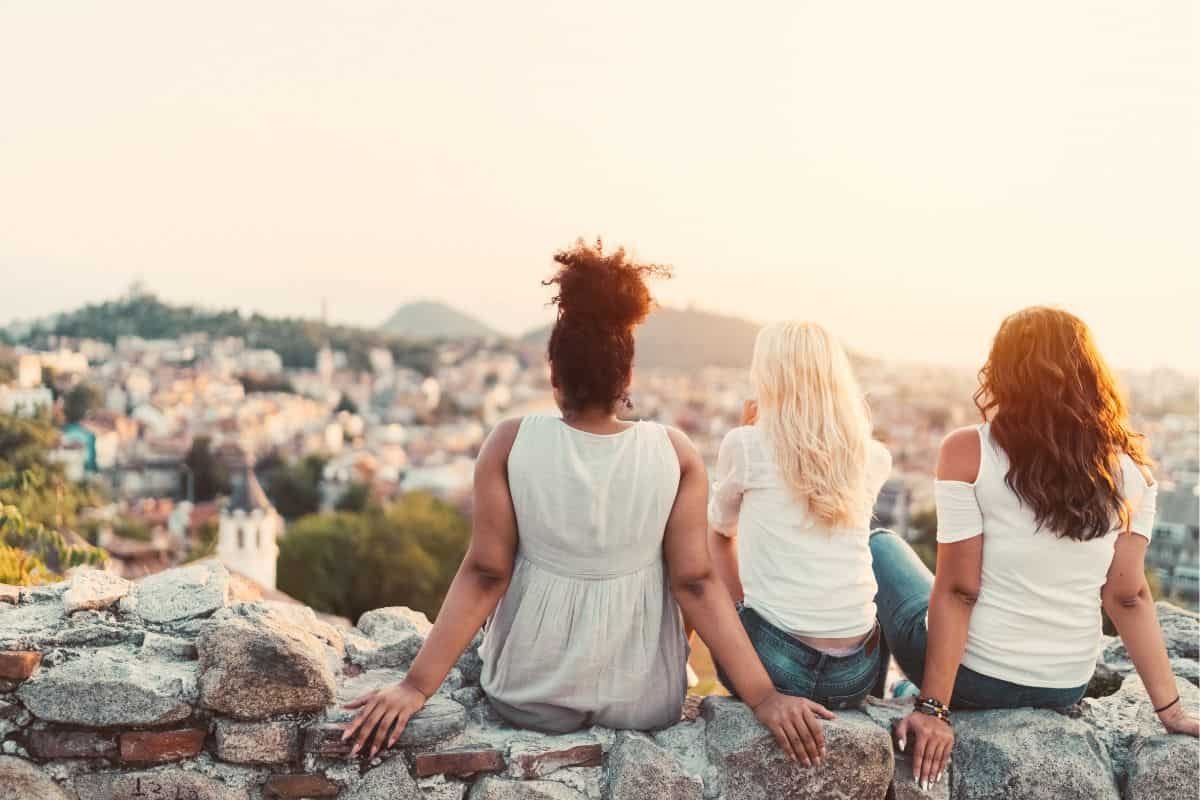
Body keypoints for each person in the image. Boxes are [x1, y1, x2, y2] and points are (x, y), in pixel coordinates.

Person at [342, 240, 835, 765]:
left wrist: (416, 687)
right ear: (626, 379)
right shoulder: (675, 452)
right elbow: (696, 583)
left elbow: (487, 573)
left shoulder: (509, 443)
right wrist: (764, 696)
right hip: (645, 699)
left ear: (555, 375)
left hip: (527, 694)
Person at [870, 307, 1200, 791]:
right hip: (1061, 684)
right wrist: (1170, 710)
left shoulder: (968, 450)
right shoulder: (1131, 471)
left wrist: (934, 709)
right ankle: (908, 689)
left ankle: (885, 693)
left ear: (1003, 373)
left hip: (973, 679)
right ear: (1091, 376)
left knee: (880, 544)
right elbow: (1128, 597)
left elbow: (961, 589)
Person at [708, 321, 892, 709]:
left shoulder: (745, 445)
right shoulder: (874, 456)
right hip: (856, 675)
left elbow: (720, 534)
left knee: (703, 542)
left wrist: (743, 612)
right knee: (882, 546)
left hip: (771, 665)